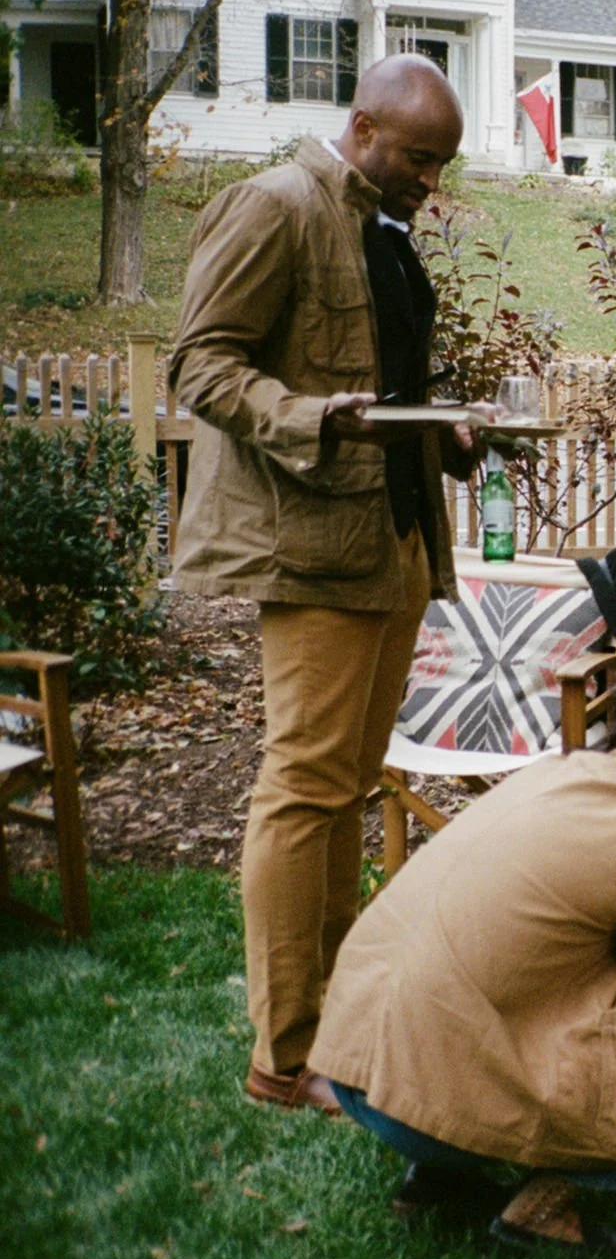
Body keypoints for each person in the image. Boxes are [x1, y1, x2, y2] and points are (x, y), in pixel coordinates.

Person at [168, 55, 483, 1115]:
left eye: (439, 165)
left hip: (392, 540)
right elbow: (199, 366)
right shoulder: (275, 207)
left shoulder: (383, 231)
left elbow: (389, 385)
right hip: (307, 545)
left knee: (346, 786)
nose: (427, 183)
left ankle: (337, 1025)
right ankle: (282, 1055)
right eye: (416, 159)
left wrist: (444, 432)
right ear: (362, 127)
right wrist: (313, 417)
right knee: (301, 788)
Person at [309, 669, 616, 1252]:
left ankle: (442, 1171)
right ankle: (546, 1200)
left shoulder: (563, 770)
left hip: (354, 1063)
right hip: (413, 1095)